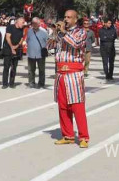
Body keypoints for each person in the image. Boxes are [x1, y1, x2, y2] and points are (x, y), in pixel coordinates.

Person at [49, 11, 90, 147]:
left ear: (75, 19)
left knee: (77, 105)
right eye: (64, 17)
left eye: (68, 17)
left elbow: (76, 44)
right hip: (60, 73)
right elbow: (49, 46)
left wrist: (64, 32)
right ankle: (67, 135)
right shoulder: (62, 33)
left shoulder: (80, 32)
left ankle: (83, 137)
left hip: (73, 73)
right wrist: (55, 33)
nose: (65, 19)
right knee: (63, 106)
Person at [1, 17, 25, 89]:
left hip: (16, 49)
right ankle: (5, 83)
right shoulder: (10, 27)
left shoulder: (21, 29)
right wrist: (12, 47)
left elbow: (21, 39)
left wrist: (17, 46)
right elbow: (7, 37)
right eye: (22, 23)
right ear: (17, 22)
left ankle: (12, 83)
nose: (23, 24)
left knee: (14, 67)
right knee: (6, 67)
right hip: (8, 49)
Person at [26, 17, 48, 89]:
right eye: (33, 23)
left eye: (36, 23)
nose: (34, 25)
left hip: (40, 54)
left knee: (41, 70)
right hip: (31, 53)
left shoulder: (44, 31)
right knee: (31, 70)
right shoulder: (29, 31)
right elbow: (27, 40)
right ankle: (31, 83)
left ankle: (41, 84)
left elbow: (48, 41)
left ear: (39, 23)